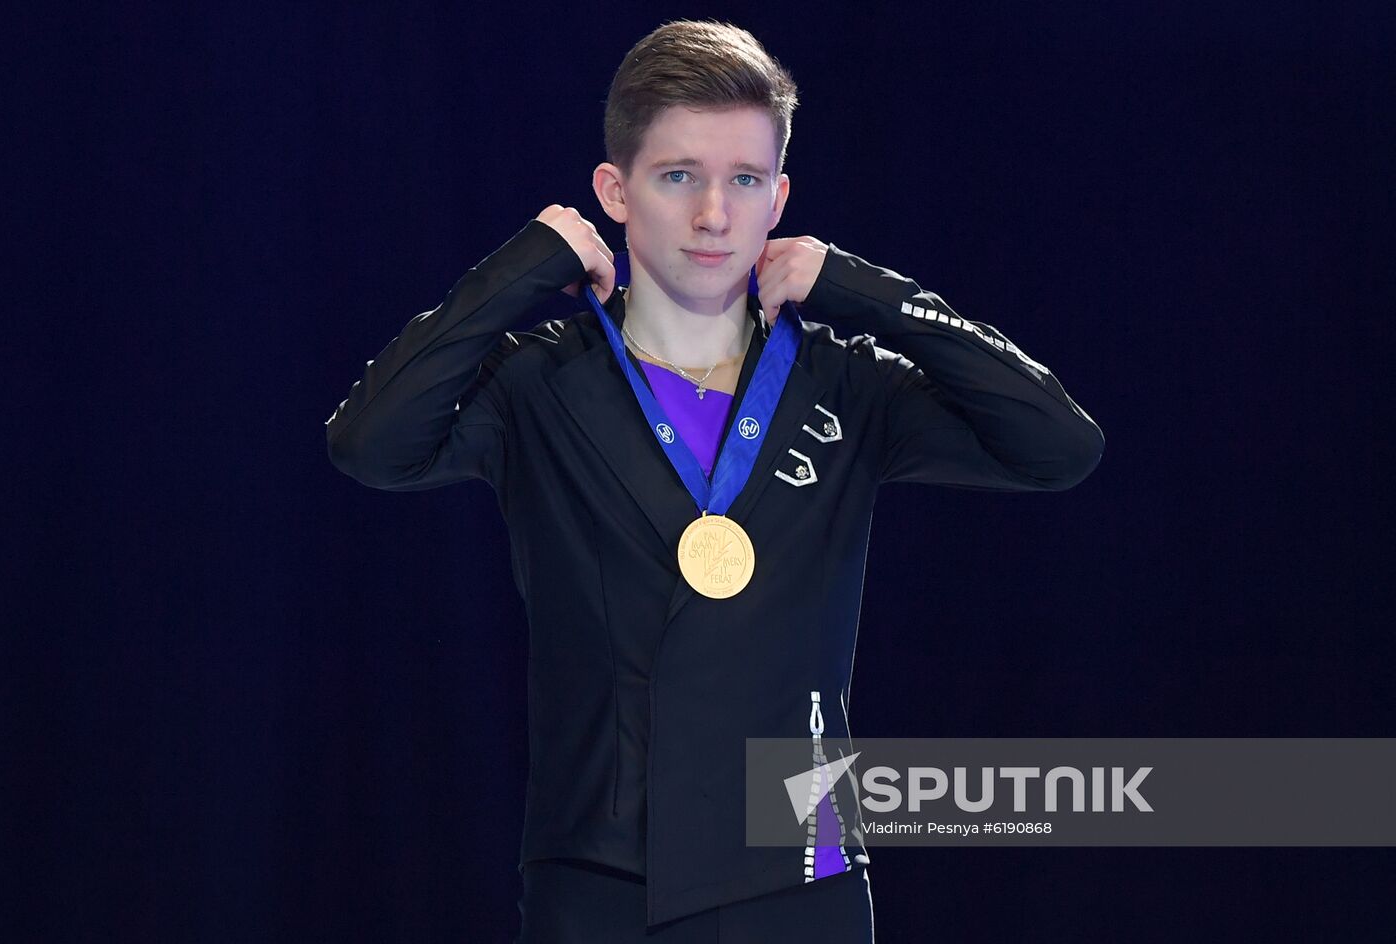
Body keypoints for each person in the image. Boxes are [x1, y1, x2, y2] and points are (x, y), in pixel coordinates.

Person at [324, 18, 1103, 943]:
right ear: (615, 189)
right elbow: (371, 444)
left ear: (780, 198)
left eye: (743, 180)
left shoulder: (846, 382)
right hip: (604, 872)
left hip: (806, 861)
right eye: (677, 175)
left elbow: (1059, 444)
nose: (713, 216)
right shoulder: (538, 382)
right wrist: (520, 270)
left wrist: (862, 288)